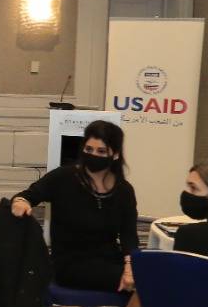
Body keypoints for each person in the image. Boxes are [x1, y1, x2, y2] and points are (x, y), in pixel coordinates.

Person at [97, 160, 208, 307]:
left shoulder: (191, 235)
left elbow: (180, 293)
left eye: (193, 188)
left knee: (150, 289)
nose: (187, 193)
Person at [11, 120, 138, 293]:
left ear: (115, 154)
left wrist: (130, 267)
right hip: (70, 264)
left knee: (152, 275)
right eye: (89, 149)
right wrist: (20, 202)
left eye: (101, 151)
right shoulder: (63, 178)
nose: (93, 155)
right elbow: (27, 196)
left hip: (109, 258)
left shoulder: (124, 190)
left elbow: (129, 235)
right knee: (145, 284)